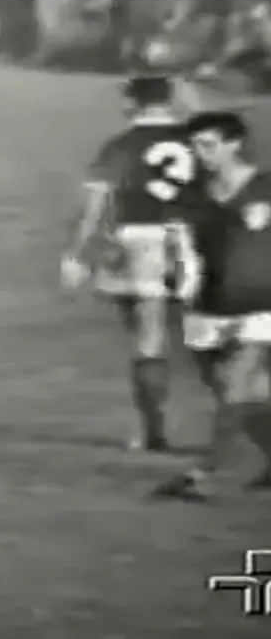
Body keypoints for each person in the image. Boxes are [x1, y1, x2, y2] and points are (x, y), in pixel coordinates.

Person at [61, 74, 203, 452]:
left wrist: (77, 253)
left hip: (139, 243)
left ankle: (153, 431)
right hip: (193, 242)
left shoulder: (122, 145)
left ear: (133, 102)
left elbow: (94, 208)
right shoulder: (197, 141)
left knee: (147, 339)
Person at [156, 111, 271, 499]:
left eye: (208, 144)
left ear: (234, 144)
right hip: (207, 306)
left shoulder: (266, 187)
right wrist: (177, 276)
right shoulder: (190, 196)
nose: (199, 153)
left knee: (236, 392)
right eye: (194, 146)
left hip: (262, 307)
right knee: (236, 397)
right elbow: (181, 251)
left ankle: (204, 476)